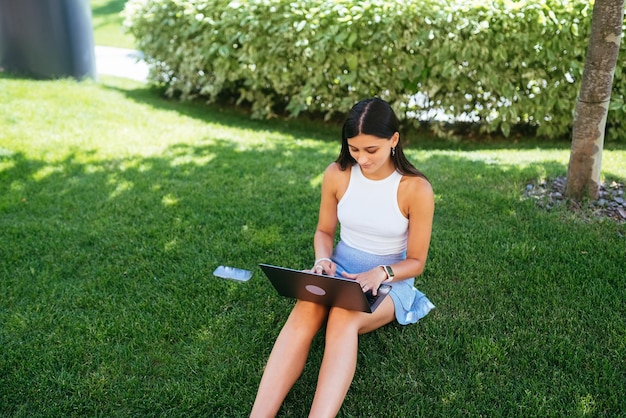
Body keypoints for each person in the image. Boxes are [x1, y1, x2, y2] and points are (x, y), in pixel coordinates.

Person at [250, 97, 435, 418]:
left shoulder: (415, 189)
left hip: (391, 279)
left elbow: (417, 261)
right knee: (305, 308)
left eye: (371, 150)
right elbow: (324, 232)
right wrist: (323, 260)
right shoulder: (337, 174)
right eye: (354, 149)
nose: (362, 158)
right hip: (341, 269)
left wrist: (381, 272)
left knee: (343, 317)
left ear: (394, 140)